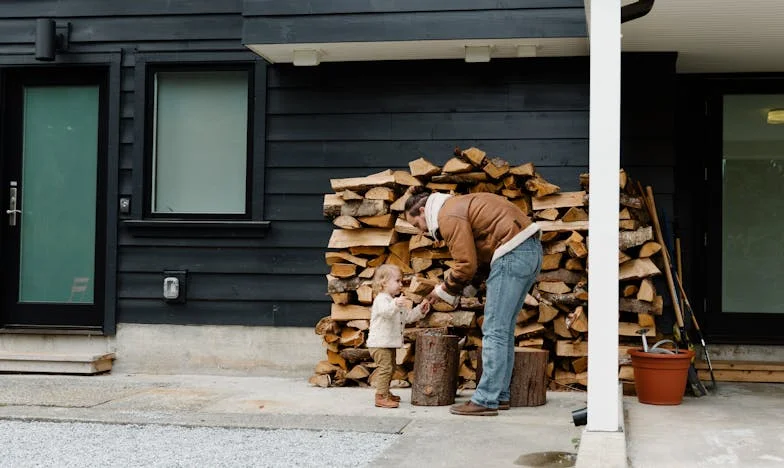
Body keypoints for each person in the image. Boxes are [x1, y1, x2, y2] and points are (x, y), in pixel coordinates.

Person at [404, 186, 542, 416]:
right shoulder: (458, 205)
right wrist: (464, 290)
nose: (422, 231)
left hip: (512, 252)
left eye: (417, 225)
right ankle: (499, 395)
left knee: (494, 330)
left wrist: (443, 290)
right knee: (503, 330)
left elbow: (465, 264)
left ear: (422, 210)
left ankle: (486, 399)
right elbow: (479, 259)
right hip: (530, 251)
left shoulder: (447, 214)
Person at [367, 264, 431, 408]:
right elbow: (386, 312)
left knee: (391, 368)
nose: (401, 284)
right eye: (397, 281)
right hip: (379, 344)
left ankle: (385, 392)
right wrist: (396, 304)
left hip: (388, 344)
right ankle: (380, 397)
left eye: (401, 281)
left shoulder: (394, 301)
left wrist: (420, 310)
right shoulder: (381, 299)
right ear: (384, 282)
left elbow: (407, 318)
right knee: (386, 369)